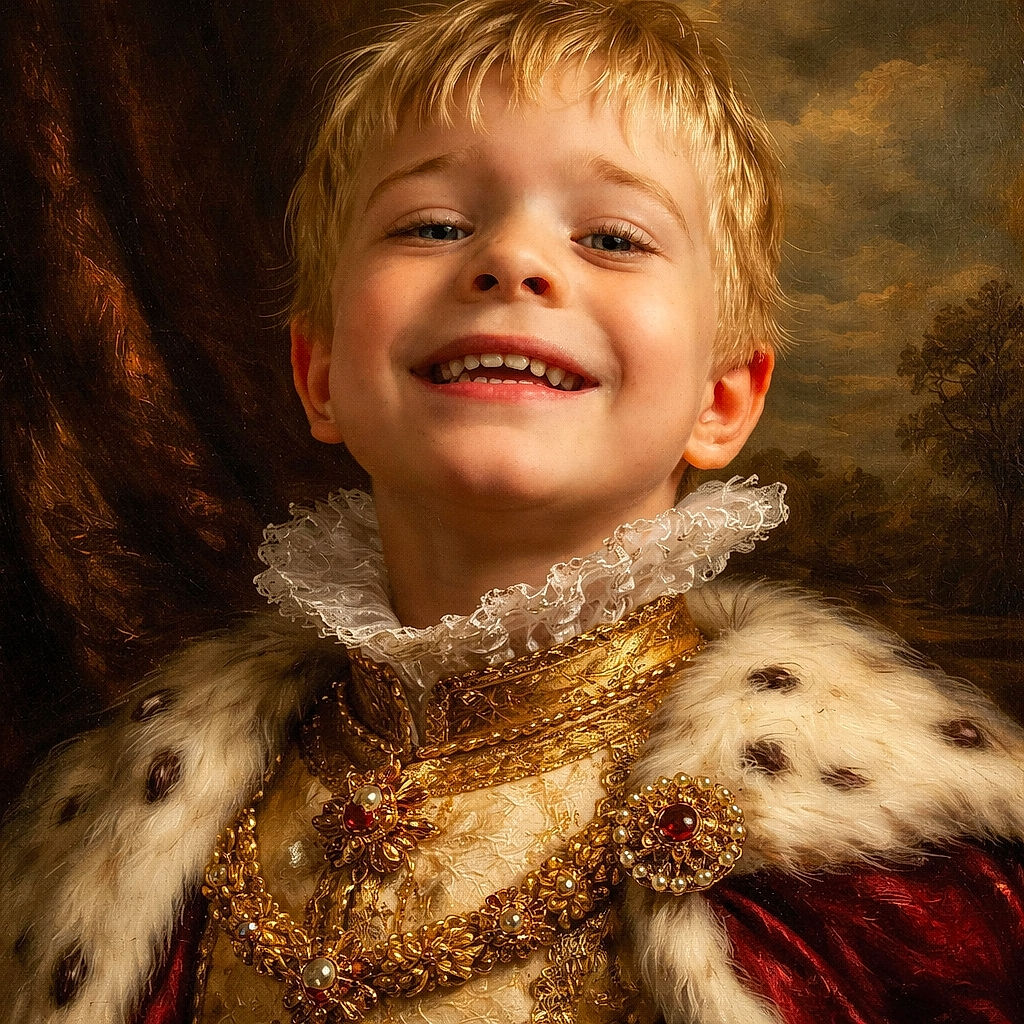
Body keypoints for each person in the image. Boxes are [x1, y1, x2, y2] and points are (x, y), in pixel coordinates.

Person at [4, 1, 1024, 1022]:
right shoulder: (118, 832)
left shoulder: (885, 884)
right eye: (435, 225)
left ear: (721, 400)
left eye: (614, 238)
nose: (512, 262)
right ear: (317, 375)